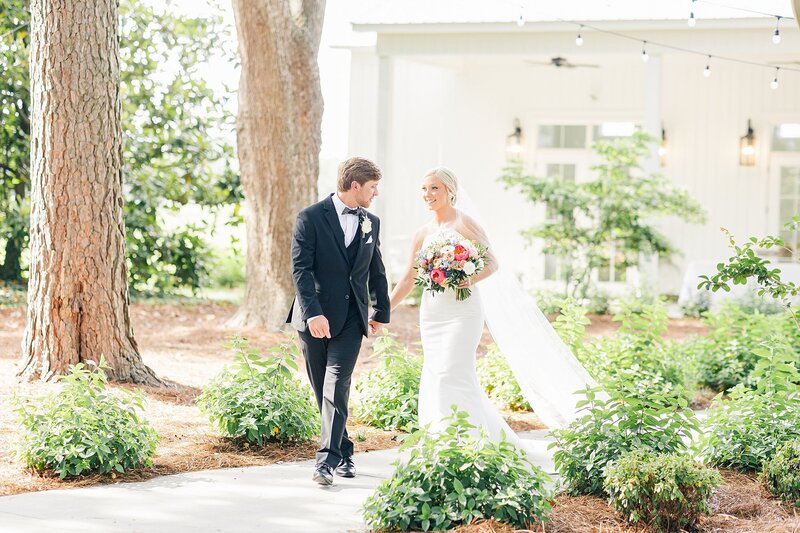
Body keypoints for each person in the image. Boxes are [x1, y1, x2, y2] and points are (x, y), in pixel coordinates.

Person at [388, 167, 595, 454]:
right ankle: (443, 438)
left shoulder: (464, 223)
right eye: (424, 189)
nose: (428, 194)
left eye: (434, 188)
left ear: (450, 190)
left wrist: (464, 278)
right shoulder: (422, 233)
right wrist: (383, 312)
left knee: (452, 371)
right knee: (436, 373)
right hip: (433, 313)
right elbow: (408, 278)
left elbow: (492, 262)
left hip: (462, 311)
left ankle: (468, 442)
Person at [287, 157, 390, 486]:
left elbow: (376, 269)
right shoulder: (310, 217)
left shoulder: (371, 222)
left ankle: (325, 462)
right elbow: (301, 270)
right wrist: (313, 312)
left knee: (336, 385)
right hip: (314, 318)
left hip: (351, 320)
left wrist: (380, 311)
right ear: (355, 185)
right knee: (323, 390)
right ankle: (344, 450)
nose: (376, 194)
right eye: (372, 187)